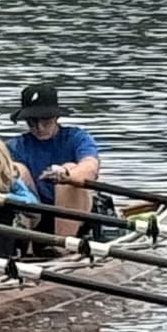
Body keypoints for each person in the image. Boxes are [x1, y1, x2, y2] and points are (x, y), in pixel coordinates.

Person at [6, 84, 102, 232]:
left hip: (76, 215)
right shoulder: (15, 146)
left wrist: (66, 175)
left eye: (45, 121)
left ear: (56, 118)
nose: (40, 128)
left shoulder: (76, 138)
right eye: (32, 122)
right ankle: (25, 246)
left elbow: (90, 167)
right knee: (16, 169)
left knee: (70, 167)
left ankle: (62, 246)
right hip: (34, 215)